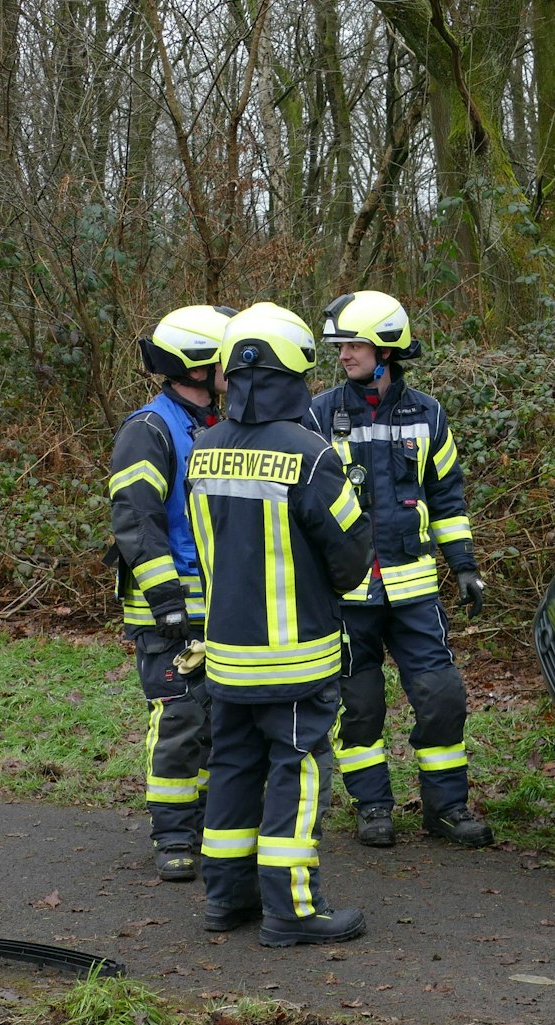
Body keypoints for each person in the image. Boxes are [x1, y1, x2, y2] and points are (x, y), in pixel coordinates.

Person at [189, 302, 375, 947]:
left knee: (234, 766)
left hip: (225, 654)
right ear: (293, 367)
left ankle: (225, 899)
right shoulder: (312, 454)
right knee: (298, 771)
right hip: (295, 655)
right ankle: (292, 910)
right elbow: (351, 554)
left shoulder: (203, 449)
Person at [305, 291, 493, 849]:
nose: (343, 354)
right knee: (358, 707)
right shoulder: (318, 414)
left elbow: (447, 495)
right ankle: (373, 808)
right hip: (346, 594)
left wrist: (464, 566)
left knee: (441, 698)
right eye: (340, 345)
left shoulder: (428, 414)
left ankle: (447, 809)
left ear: (386, 348)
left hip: (413, 591)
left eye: (354, 343)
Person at [107, 304, 234, 882]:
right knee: (181, 718)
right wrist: (166, 603)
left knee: (219, 720)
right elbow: (136, 521)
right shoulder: (150, 430)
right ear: (200, 365)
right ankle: (174, 833)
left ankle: (210, 822)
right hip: (172, 612)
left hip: (221, 606)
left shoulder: (212, 427)